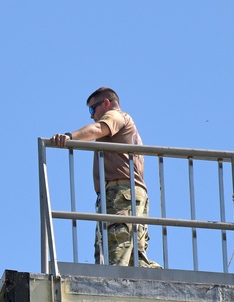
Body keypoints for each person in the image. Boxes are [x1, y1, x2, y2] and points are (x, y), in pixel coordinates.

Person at [51, 87, 160, 268]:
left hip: (121, 195)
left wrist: (69, 137)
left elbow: (96, 129)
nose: (92, 115)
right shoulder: (127, 124)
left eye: (92, 109)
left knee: (115, 254)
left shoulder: (117, 116)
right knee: (135, 257)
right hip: (133, 195)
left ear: (107, 103)